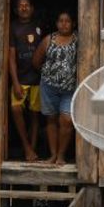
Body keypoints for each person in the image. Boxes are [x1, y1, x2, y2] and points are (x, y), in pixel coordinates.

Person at [33, 11, 77, 166]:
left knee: (66, 120)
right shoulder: (48, 39)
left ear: (73, 24)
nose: (64, 24)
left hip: (70, 89)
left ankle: (61, 155)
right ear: (56, 23)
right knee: (51, 119)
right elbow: (36, 61)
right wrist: (49, 75)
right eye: (61, 21)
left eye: (67, 21)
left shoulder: (77, 39)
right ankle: (52, 155)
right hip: (49, 87)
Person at [8, 0, 43, 162]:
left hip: (38, 78)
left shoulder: (39, 26)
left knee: (35, 114)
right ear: (15, 10)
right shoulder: (13, 27)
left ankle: (33, 150)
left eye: (26, 5)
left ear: (32, 8)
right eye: (20, 6)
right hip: (20, 78)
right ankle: (26, 146)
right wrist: (15, 82)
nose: (24, 8)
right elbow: (11, 57)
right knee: (16, 109)